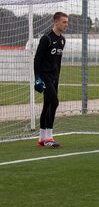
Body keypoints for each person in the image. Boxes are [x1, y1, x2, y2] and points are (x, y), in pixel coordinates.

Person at [34, 11, 69, 148]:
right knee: (54, 103)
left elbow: (57, 62)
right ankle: (49, 137)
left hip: (55, 78)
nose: (66, 24)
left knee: (47, 105)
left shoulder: (62, 40)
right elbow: (37, 59)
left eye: (67, 22)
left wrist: (57, 78)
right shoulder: (46, 39)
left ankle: (42, 138)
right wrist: (37, 78)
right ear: (56, 22)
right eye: (64, 22)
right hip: (45, 77)